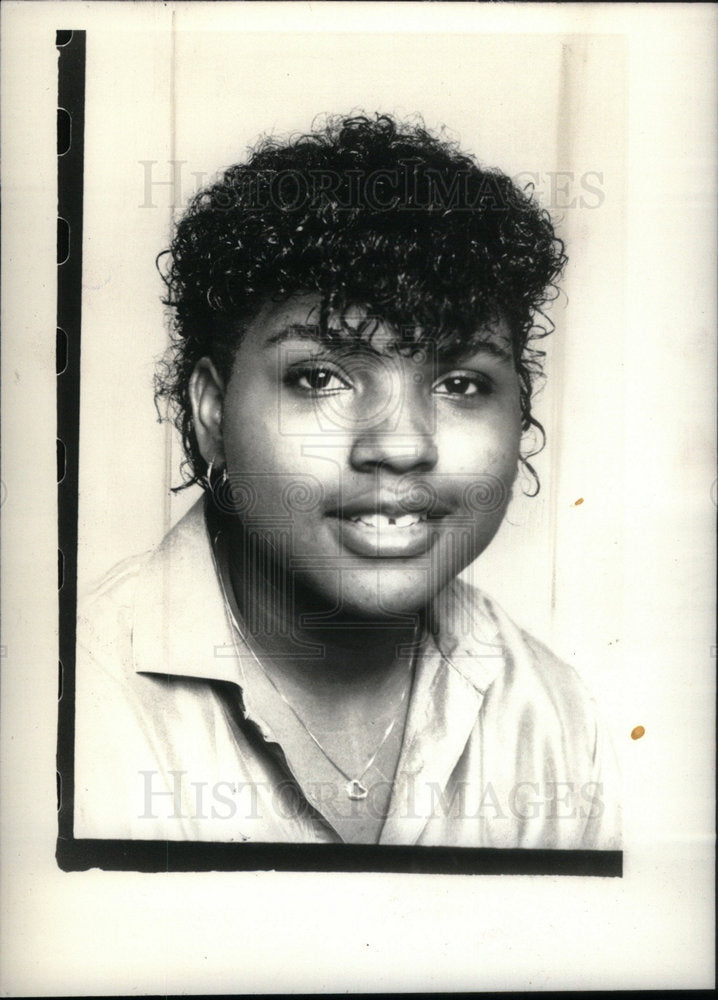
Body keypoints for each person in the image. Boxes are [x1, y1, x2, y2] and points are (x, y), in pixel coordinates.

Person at [74, 113, 621, 848]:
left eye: (460, 383)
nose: (401, 444)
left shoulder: (552, 715)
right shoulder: (67, 707)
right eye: (320, 377)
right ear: (211, 413)